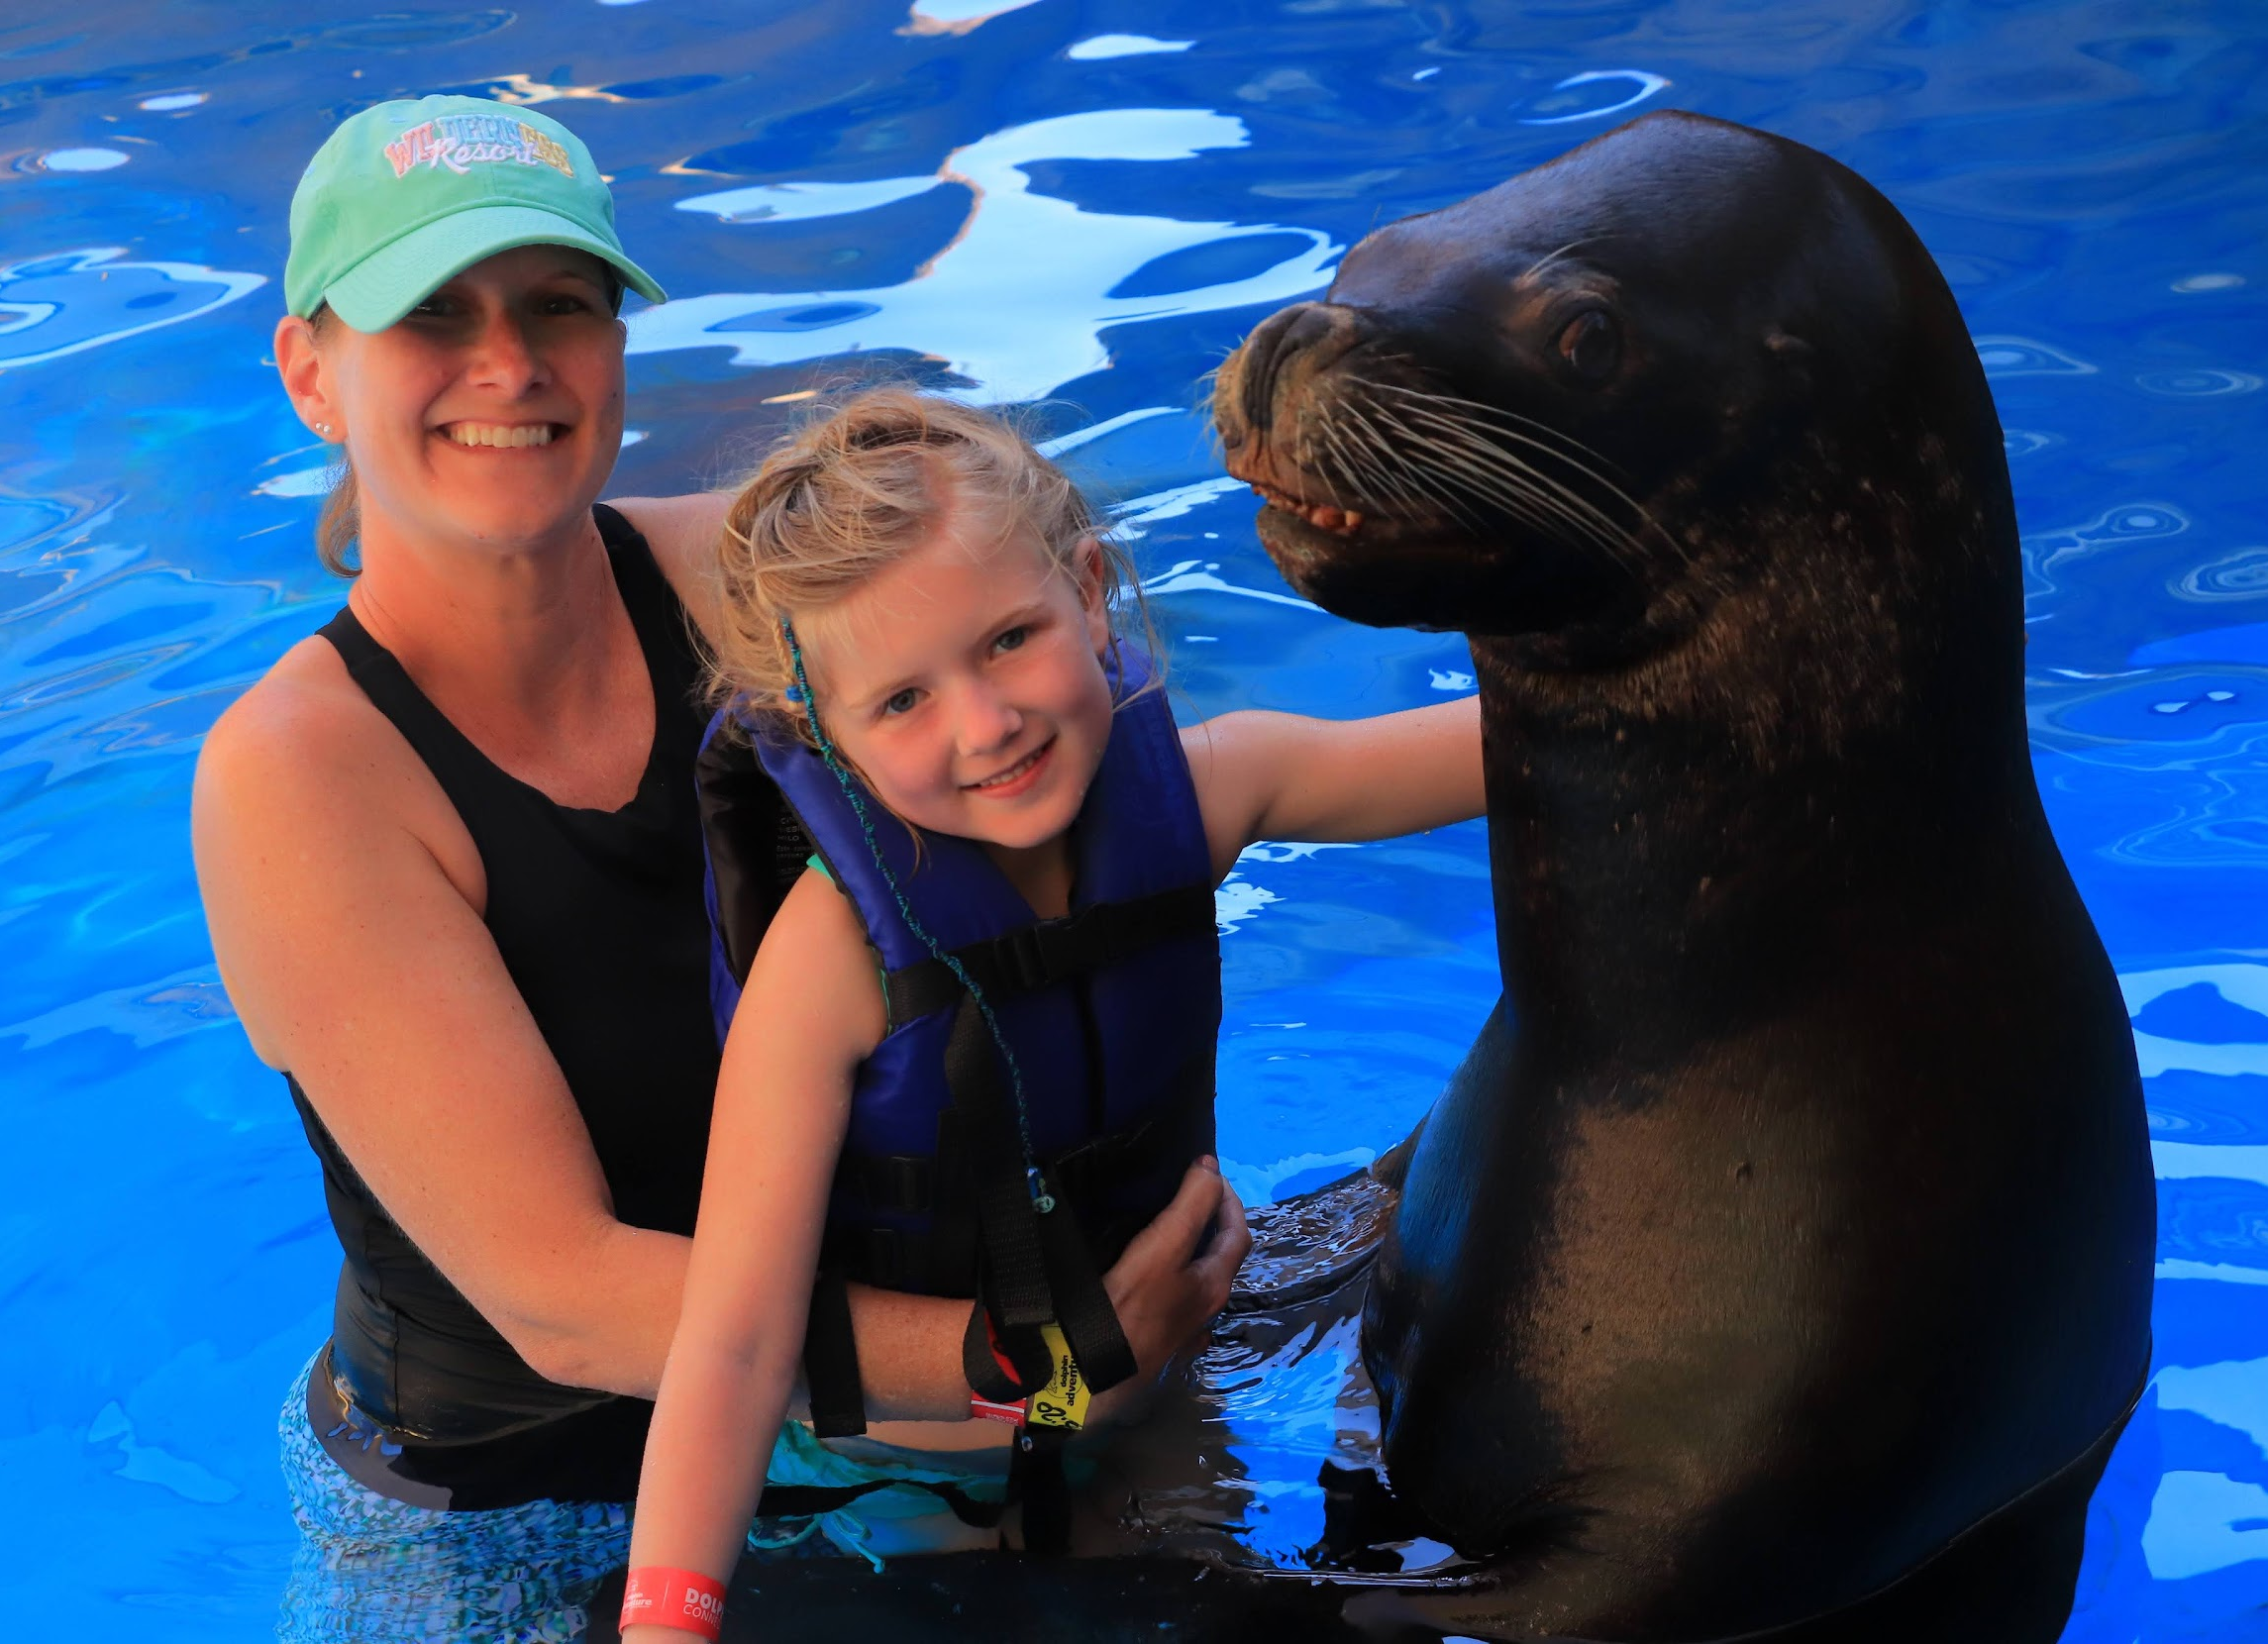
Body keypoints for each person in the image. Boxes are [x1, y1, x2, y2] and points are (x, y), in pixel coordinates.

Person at [192, 97, 1247, 1644]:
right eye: (434, 317)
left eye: (561, 304)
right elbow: (561, 1299)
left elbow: (1067, 737)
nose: (511, 365)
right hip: (522, 1510)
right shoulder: (299, 778)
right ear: (309, 374)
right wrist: (1031, 1353)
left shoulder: (749, 588)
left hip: (920, 1417)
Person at [618, 390, 1486, 1642]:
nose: (986, 723)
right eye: (902, 701)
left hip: (1160, 1395)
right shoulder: (831, 959)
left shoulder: (1208, 791)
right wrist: (668, 1623)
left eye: (1010, 638)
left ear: (1088, 591)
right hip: (912, 1482)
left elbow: (1507, 752)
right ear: (824, 733)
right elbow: (735, 1345)